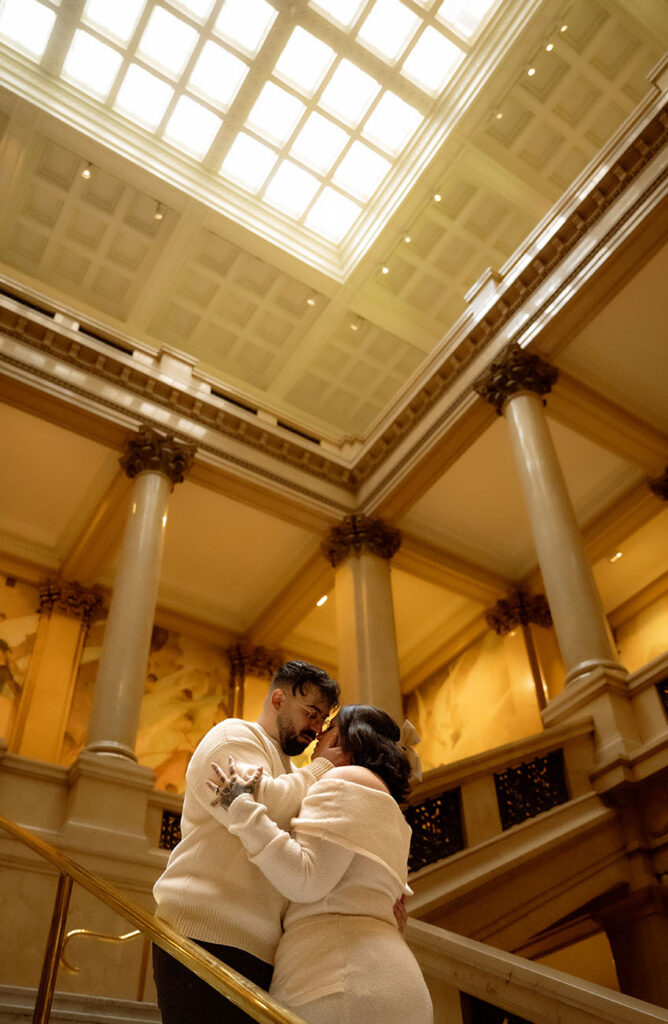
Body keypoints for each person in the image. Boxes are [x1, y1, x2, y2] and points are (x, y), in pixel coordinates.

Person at [210, 704, 434, 1024]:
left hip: (338, 980)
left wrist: (241, 810)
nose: (316, 738)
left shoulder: (345, 778)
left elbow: (305, 879)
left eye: (327, 727)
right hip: (384, 979)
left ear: (344, 738)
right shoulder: (388, 806)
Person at [152, 659, 342, 1024]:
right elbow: (259, 803)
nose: (316, 729)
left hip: (259, 946)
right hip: (199, 932)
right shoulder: (232, 735)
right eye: (312, 713)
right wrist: (322, 769)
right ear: (277, 699)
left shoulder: (288, 770)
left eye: (322, 720)